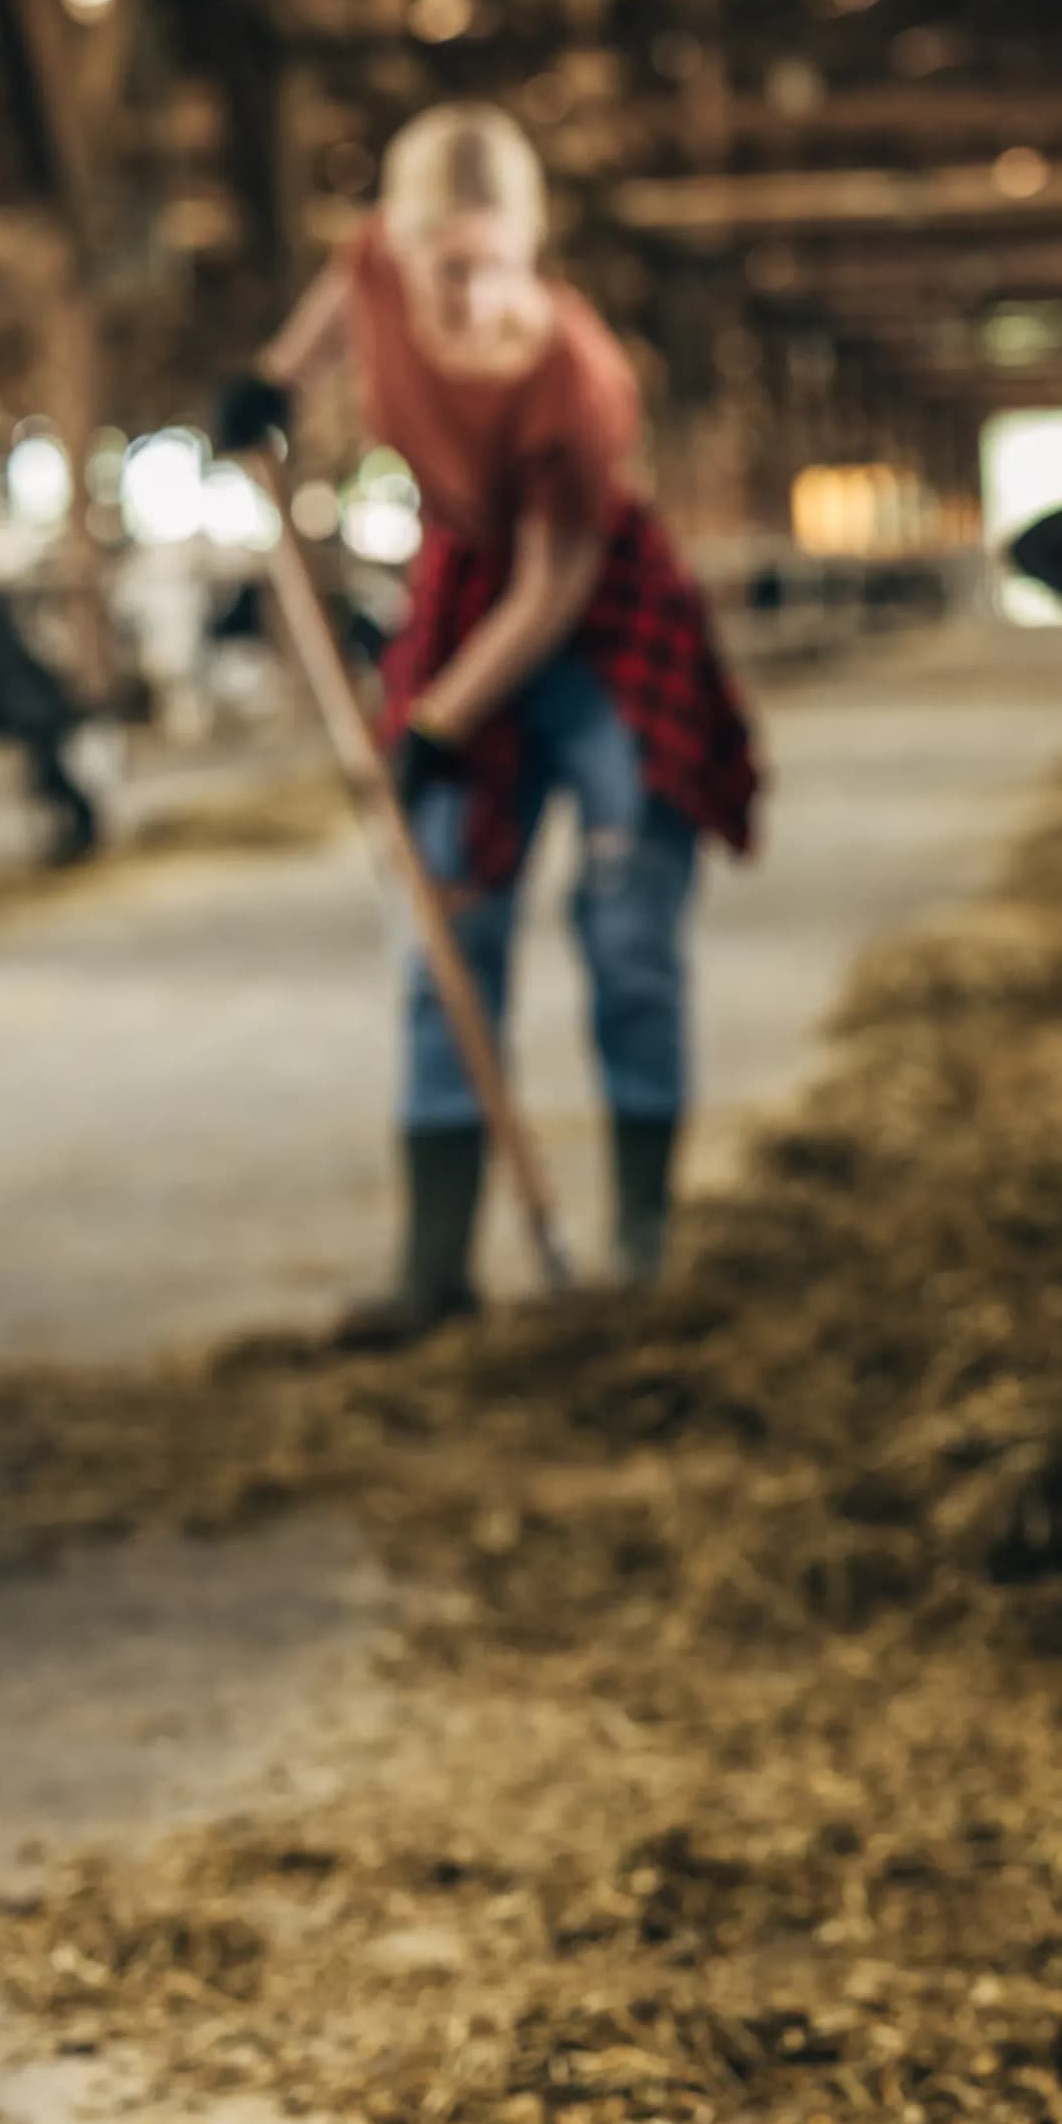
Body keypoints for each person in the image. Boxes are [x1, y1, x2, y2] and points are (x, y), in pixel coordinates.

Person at [219, 104, 758, 1347]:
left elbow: (554, 587)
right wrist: (271, 386)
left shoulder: (580, 383)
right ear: (395, 249)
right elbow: (324, 317)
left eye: (492, 266)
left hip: (597, 618)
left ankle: (633, 1250)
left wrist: (442, 719)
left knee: (627, 925)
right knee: (445, 910)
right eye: (437, 268)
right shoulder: (370, 269)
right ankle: (435, 1264)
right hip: (466, 582)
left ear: (532, 248)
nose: (463, 296)